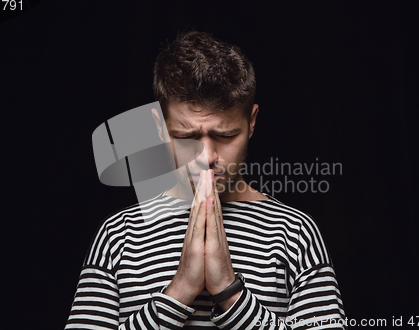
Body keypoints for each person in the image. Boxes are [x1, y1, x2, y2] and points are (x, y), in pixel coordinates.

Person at [65, 31, 346, 329]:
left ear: (251, 123)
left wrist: (229, 291)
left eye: (225, 135)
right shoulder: (117, 237)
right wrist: (179, 292)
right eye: (186, 137)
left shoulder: (296, 234)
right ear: (159, 126)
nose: (206, 156)